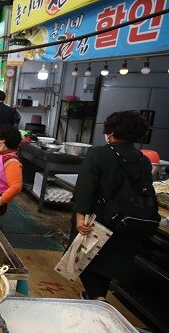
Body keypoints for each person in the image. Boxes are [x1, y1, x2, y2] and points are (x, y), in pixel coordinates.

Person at [70, 110, 152, 301]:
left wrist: (80, 216)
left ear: (112, 131)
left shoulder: (99, 153)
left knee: (82, 257)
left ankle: (97, 298)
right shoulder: (144, 160)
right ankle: (98, 296)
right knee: (109, 261)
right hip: (127, 220)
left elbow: (85, 188)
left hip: (98, 219)